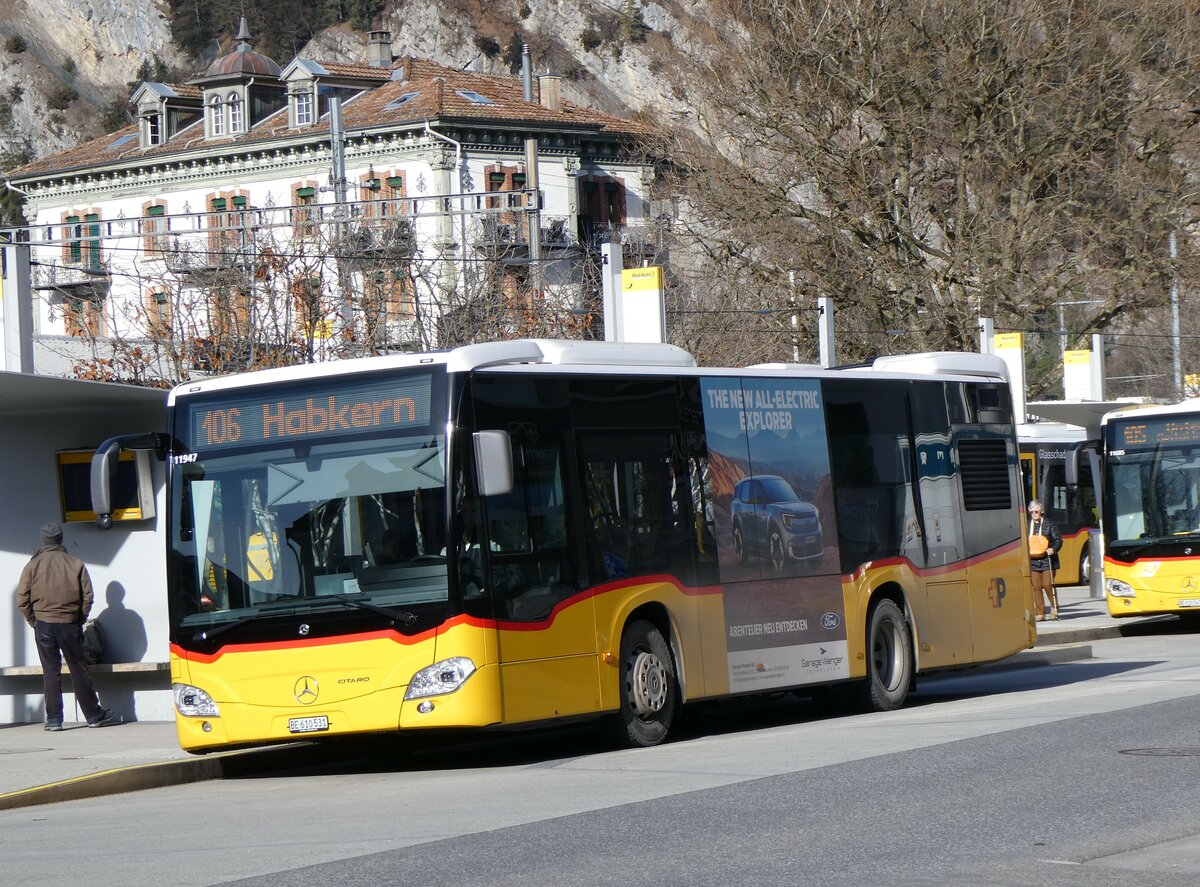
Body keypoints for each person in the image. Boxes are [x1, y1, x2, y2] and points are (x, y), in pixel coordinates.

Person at [17, 522, 118, 731]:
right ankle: (93, 715)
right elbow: (88, 596)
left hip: (44, 624)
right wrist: (80, 617)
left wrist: (34, 621)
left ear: (43, 541)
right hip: (70, 623)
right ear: (60, 539)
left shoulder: (32, 566)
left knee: (50, 671)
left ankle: (54, 719)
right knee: (79, 670)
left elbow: (22, 599)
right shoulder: (75, 563)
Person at [1028, 500, 1063, 622]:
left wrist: (1053, 549)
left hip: (1047, 560)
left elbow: (1058, 539)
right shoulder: (1028, 525)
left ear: (1041, 512)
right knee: (1036, 587)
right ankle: (1040, 612)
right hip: (1032, 561)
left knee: (1048, 585)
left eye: (1036, 511)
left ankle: (1054, 607)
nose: (1033, 514)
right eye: (1031, 512)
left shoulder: (1049, 524)